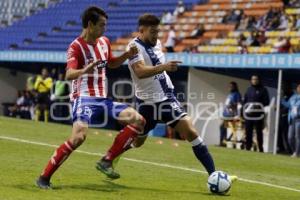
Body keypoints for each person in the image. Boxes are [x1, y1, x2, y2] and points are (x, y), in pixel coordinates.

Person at [98, 14, 237, 182]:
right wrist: (164, 67)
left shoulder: (157, 43)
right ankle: (110, 158)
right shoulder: (134, 46)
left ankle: (214, 176)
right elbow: (140, 72)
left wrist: (163, 70)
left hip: (166, 99)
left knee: (191, 132)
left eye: (158, 31)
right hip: (147, 103)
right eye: (152, 32)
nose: (156, 35)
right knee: (138, 141)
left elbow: (156, 68)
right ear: (141, 30)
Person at [36, 6, 145, 189]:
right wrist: (84, 70)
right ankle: (44, 178)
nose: (105, 29)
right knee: (78, 137)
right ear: (90, 24)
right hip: (84, 98)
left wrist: (126, 55)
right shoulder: (75, 47)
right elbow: (69, 74)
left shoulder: (104, 42)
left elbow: (111, 64)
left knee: (138, 120)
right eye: (102, 25)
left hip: (103, 99)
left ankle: (107, 160)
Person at [243, 75, 270, 152]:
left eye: (256, 79)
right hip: (248, 115)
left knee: (259, 132)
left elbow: (266, 102)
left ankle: (260, 148)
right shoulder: (248, 89)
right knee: (248, 132)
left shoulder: (263, 90)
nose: (254, 81)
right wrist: (242, 113)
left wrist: (258, 106)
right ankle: (248, 147)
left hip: (258, 115)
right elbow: (245, 101)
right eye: (253, 79)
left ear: (259, 80)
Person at [220, 82, 242, 147]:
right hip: (226, 115)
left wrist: (236, 113)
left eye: (231, 86)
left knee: (229, 128)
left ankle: (224, 142)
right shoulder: (230, 94)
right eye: (229, 86)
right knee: (223, 127)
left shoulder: (237, 94)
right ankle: (223, 141)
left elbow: (239, 104)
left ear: (235, 87)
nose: (230, 87)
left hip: (232, 115)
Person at [282, 83, 300, 158]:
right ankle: (295, 151)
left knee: (297, 136)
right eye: (299, 87)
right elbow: (288, 105)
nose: (299, 88)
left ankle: (297, 153)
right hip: (291, 120)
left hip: (299, 119)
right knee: (290, 137)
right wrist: (281, 99)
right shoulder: (293, 97)